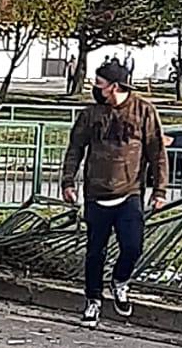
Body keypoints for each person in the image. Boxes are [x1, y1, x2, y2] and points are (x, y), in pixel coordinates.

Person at [60, 61, 168, 329]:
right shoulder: (91, 114)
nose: (96, 89)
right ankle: (92, 301)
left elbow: (157, 151)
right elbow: (75, 147)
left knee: (132, 247)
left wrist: (160, 189)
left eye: (100, 84)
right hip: (96, 193)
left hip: (130, 191)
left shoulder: (143, 111)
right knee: (95, 252)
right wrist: (67, 181)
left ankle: (120, 281)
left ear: (114, 86)